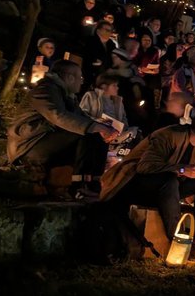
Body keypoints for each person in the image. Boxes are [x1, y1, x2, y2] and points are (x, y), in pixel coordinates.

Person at [100, 112, 195, 257]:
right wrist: (182, 169)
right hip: (134, 185)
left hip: (167, 189)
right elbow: (144, 166)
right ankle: (177, 239)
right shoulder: (169, 135)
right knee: (169, 180)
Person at [7, 60, 118, 199]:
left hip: (49, 140)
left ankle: (94, 184)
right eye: (80, 78)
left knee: (97, 135)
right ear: (70, 78)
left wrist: (103, 127)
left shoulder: (66, 95)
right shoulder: (45, 90)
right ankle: (79, 186)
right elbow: (58, 116)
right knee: (87, 133)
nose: (82, 82)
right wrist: (94, 126)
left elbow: (80, 117)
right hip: (30, 146)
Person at [82, 20, 116, 89]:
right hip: (92, 74)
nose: (109, 32)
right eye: (106, 30)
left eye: (110, 30)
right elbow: (89, 57)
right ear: (98, 30)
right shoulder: (90, 41)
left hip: (106, 74)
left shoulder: (111, 44)